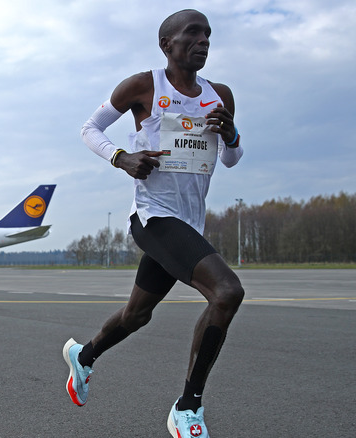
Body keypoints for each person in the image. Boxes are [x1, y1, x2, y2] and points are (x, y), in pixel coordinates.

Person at [63, 10, 245, 438]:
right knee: (227, 292)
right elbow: (90, 129)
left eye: (208, 36)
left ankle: (84, 357)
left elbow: (231, 159)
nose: (203, 41)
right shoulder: (144, 86)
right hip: (154, 217)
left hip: (189, 223)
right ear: (167, 44)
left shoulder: (220, 95)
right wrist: (121, 157)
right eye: (193, 34)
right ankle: (188, 407)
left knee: (136, 315)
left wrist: (232, 134)